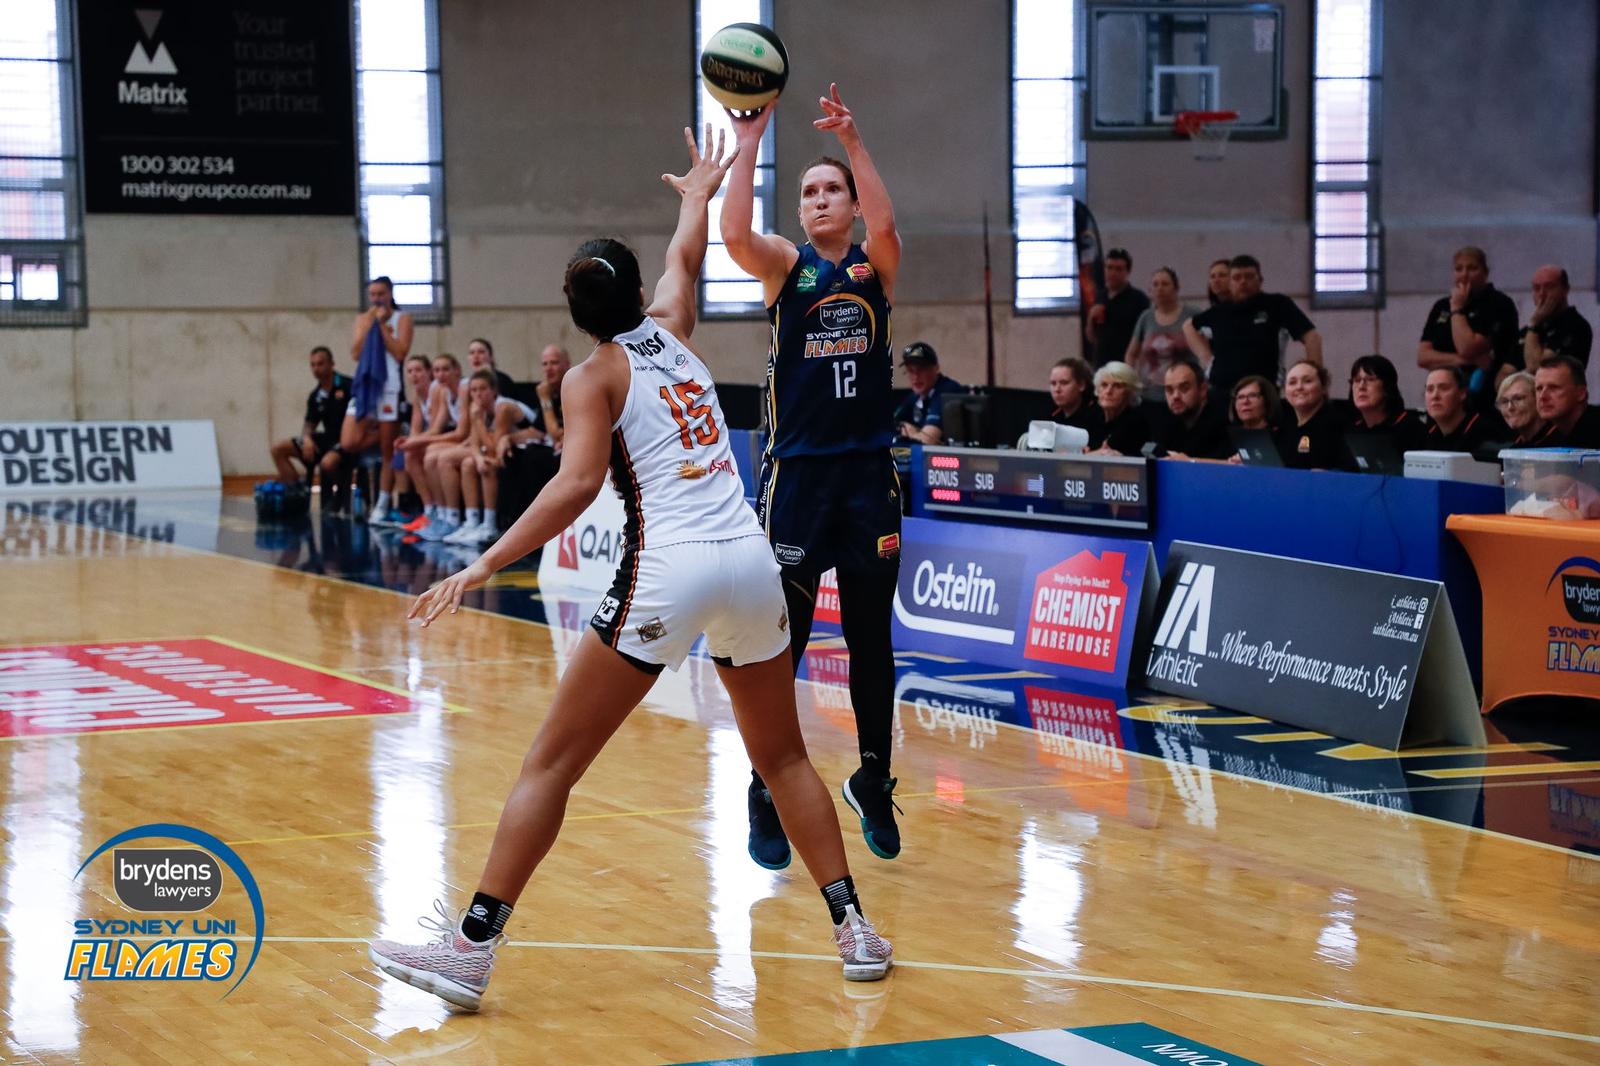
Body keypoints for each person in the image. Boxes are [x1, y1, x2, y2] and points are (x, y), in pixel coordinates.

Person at [366, 126, 892, 1012]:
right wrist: (699, 195)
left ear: (576, 316)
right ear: (639, 293)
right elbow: (687, 257)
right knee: (784, 758)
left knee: (549, 765)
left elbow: (575, 487)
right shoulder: (675, 331)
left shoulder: (591, 378)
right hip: (750, 562)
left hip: (670, 570)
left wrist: (483, 562)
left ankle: (470, 950)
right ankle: (855, 931)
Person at [721, 85, 907, 869]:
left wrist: (855, 142)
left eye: (833, 189)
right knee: (784, 645)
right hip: (797, 482)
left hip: (867, 479)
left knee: (871, 639)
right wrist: (749, 143)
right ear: (798, 212)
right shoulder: (785, 268)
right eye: (809, 192)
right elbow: (733, 233)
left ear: (853, 204)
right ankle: (766, 788)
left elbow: (889, 226)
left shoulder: (874, 268)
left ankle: (873, 776)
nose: (820, 199)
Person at [1184, 254, 1322, 398]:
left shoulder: (1277, 304)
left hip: (1263, 392)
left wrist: (1315, 378)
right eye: (1237, 278)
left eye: (1249, 276)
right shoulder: (1219, 312)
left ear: (1260, 280)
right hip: (1220, 392)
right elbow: (1189, 326)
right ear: (1230, 283)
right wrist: (1207, 359)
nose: (1243, 282)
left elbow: (1312, 338)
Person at [334, 276, 414, 517]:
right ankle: (393, 430)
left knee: (388, 450)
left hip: (389, 386)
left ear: (390, 294)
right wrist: (371, 323)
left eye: (381, 293)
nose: (376, 298)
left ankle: (383, 502)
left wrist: (382, 327)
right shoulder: (363, 319)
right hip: (366, 384)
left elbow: (400, 352)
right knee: (349, 441)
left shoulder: (403, 318)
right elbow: (356, 353)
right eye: (373, 294)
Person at [442, 370, 539, 545]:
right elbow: (474, 444)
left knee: (487, 464)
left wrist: (478, 422)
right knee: (469, 463)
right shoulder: (478, 409)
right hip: (506, 451)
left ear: (494, 391)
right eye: (474, 390)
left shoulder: (503, 408)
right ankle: (472, 521)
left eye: (483, 389)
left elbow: (494, 448)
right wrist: (478, 458)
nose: (478, 394)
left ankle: (490, 525)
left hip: (530, 451)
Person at [1417, 246, 1519, 406]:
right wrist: (1462, 360)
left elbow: (1467, 347)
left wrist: (1457, 309)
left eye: (1472, 268)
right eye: (1459, 269)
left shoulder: (1499, 303)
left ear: (1485, 272)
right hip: (1444, 394)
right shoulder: (1441, 306)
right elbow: (1423, 357)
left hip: (1484, 394)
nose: (1464, 275)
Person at [399, 354, 469, 538]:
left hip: (465, 438)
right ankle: (431, 511)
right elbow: (417, 430)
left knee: (430, 454)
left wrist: (414, 441)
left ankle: (449, 516)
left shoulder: (444, 389)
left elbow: (439, 429)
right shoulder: (428, 394)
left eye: (418, 370)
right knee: (409, 454)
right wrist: (409, 441)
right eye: (410, 371)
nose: (414, 375)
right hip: (456, 437)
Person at [269, 345, 350, 486]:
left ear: (331, 364)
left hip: (346, 440)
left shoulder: (348, 385)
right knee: (278, 449)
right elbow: (309, 425)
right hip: (327, 439)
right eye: (312, 365)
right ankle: (295, 490)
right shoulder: (315, 396)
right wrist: (307, 439)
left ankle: (340, 493)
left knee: (328, 463)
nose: (316, 369)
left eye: (320, 364)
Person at [1125, 266, 1196, 397]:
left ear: (1176, 288)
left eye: (1165, 284)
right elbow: (1131, 354)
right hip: (1149, 392)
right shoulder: (1146, 317)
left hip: (1184, 392)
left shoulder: (1192, 315)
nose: (1160, 288)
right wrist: (1130, 381)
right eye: (1155, 284)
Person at [1152, 355, 1231, 459]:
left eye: (1184, 388)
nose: (1175, 396)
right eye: (1169, 390)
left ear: (1203, 390)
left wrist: (1189, 461)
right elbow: (1150, 452)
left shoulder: (1223, 421)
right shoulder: (1165, 419)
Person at [1345, 354, 1426, 453]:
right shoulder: (1352, 431)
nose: (1361, 386)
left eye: (1370, 379)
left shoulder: (1412, 430)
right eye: (1357, 380)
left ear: (1387, 387)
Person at [1275, 360, 1345, 469]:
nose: (1299, 387)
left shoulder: (1337, 426)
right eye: (1292, 383)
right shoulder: (1283, 428)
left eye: (1307, 381)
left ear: (1324, 387)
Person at [1086, 247, 1148, 367]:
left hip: (1126, 364)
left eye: (1118, 269)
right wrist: (1090, 317)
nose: (1113, 273)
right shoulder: (1100, 296)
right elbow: (1091, 337)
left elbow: (1145, 338)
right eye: (1109, 268)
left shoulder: (1139, 299)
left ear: (1127, 272)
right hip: (1101, 364)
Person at [1522, 265, 1593, 370]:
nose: (1542, 294)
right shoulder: (1526, 331)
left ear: (1565, 289)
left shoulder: (1576, 326)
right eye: (1537, 288)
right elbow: (1504, 372)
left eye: (1549, 287)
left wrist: (1533, 325)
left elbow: (1536, 368)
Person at [892, 342, 963, 444]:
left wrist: (910, 433)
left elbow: (927, 440)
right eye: (910, 370)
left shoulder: (947, 391)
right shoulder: (915, 396)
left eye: (921, 369)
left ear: (936, 368)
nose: (915, 376)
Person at [1420, 366, 1493, 452]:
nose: (1435, 396)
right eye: (1430, 389)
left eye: (1444, 388)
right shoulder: (1428, 435)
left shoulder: (1483, 434)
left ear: (1462, 393)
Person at [1531, 356, 1600, 447]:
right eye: (1539, 388)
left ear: (1581, 394)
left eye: (1554, 388)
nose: (1542, 397)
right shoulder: (1548, 438)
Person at [1089, 361, 1150, 455]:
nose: (1108, 391)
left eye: (1117, 386)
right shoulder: (1091, 417)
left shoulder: (1136, 423)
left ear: (1130, 392)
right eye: (1104, 385)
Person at [1047, 356, 1102, 438]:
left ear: (1081, 385)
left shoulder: (1097, 415)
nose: (1057, 389)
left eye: (1064, 383)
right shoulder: (1051, 415)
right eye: (1053, 383)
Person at [536, 344, 572, 453]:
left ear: (567, 365)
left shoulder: (574, 388)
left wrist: (545, 399)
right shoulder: (548, 390)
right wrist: (509, 438)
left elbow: (555, 435)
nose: (548, 368)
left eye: (554, 362)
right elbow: (537, 430)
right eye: (545, 364)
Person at [1493, 371, 1544, 446]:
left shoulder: (1559, 442)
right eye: (1504, 401)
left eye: (1518, 399)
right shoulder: (1512, 449)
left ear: (1537, 399)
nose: (1510, 407)